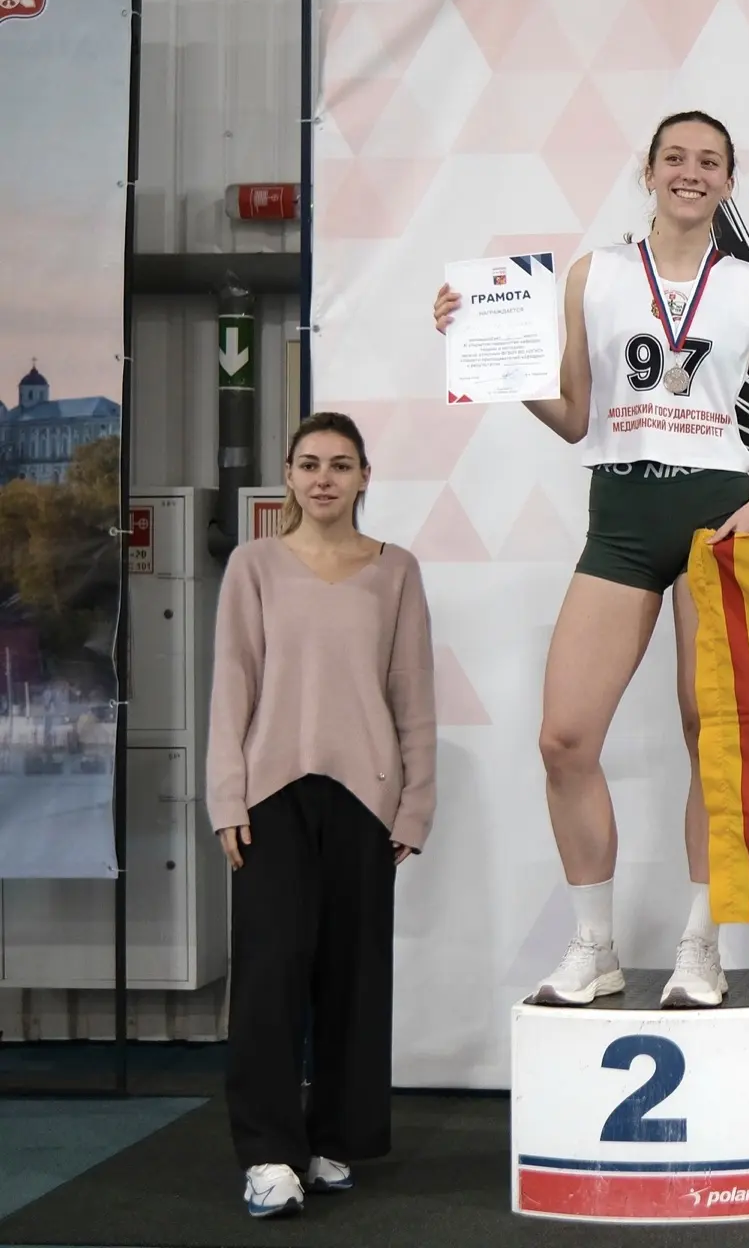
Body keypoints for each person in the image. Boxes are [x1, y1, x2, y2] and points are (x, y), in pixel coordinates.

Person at [432, 111, 749, 1009]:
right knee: (564, 739)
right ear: (649, 170)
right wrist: (481, 350)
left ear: (727, 180)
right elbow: (572, 416)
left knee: (708, 734)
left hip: (716, 517)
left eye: (709, 162)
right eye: (675, 157)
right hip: (623, 516)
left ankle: (702, 944)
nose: (690, 172)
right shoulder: (594, 276)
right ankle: (594, 945)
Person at [206, 411, 436, 1218]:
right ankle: (269, 1154)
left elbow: (413, 695)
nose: (324, 478)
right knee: (270, 975)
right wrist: (226, 796)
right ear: (289, 475)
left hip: (367, 798)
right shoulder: (253, 566)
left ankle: (334, 1137)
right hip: (269, 795)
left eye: (341, 464)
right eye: (309, 464)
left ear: (365, 476)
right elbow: (232, 684)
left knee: (353, 974)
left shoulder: (396, 570)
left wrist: (416, 804)